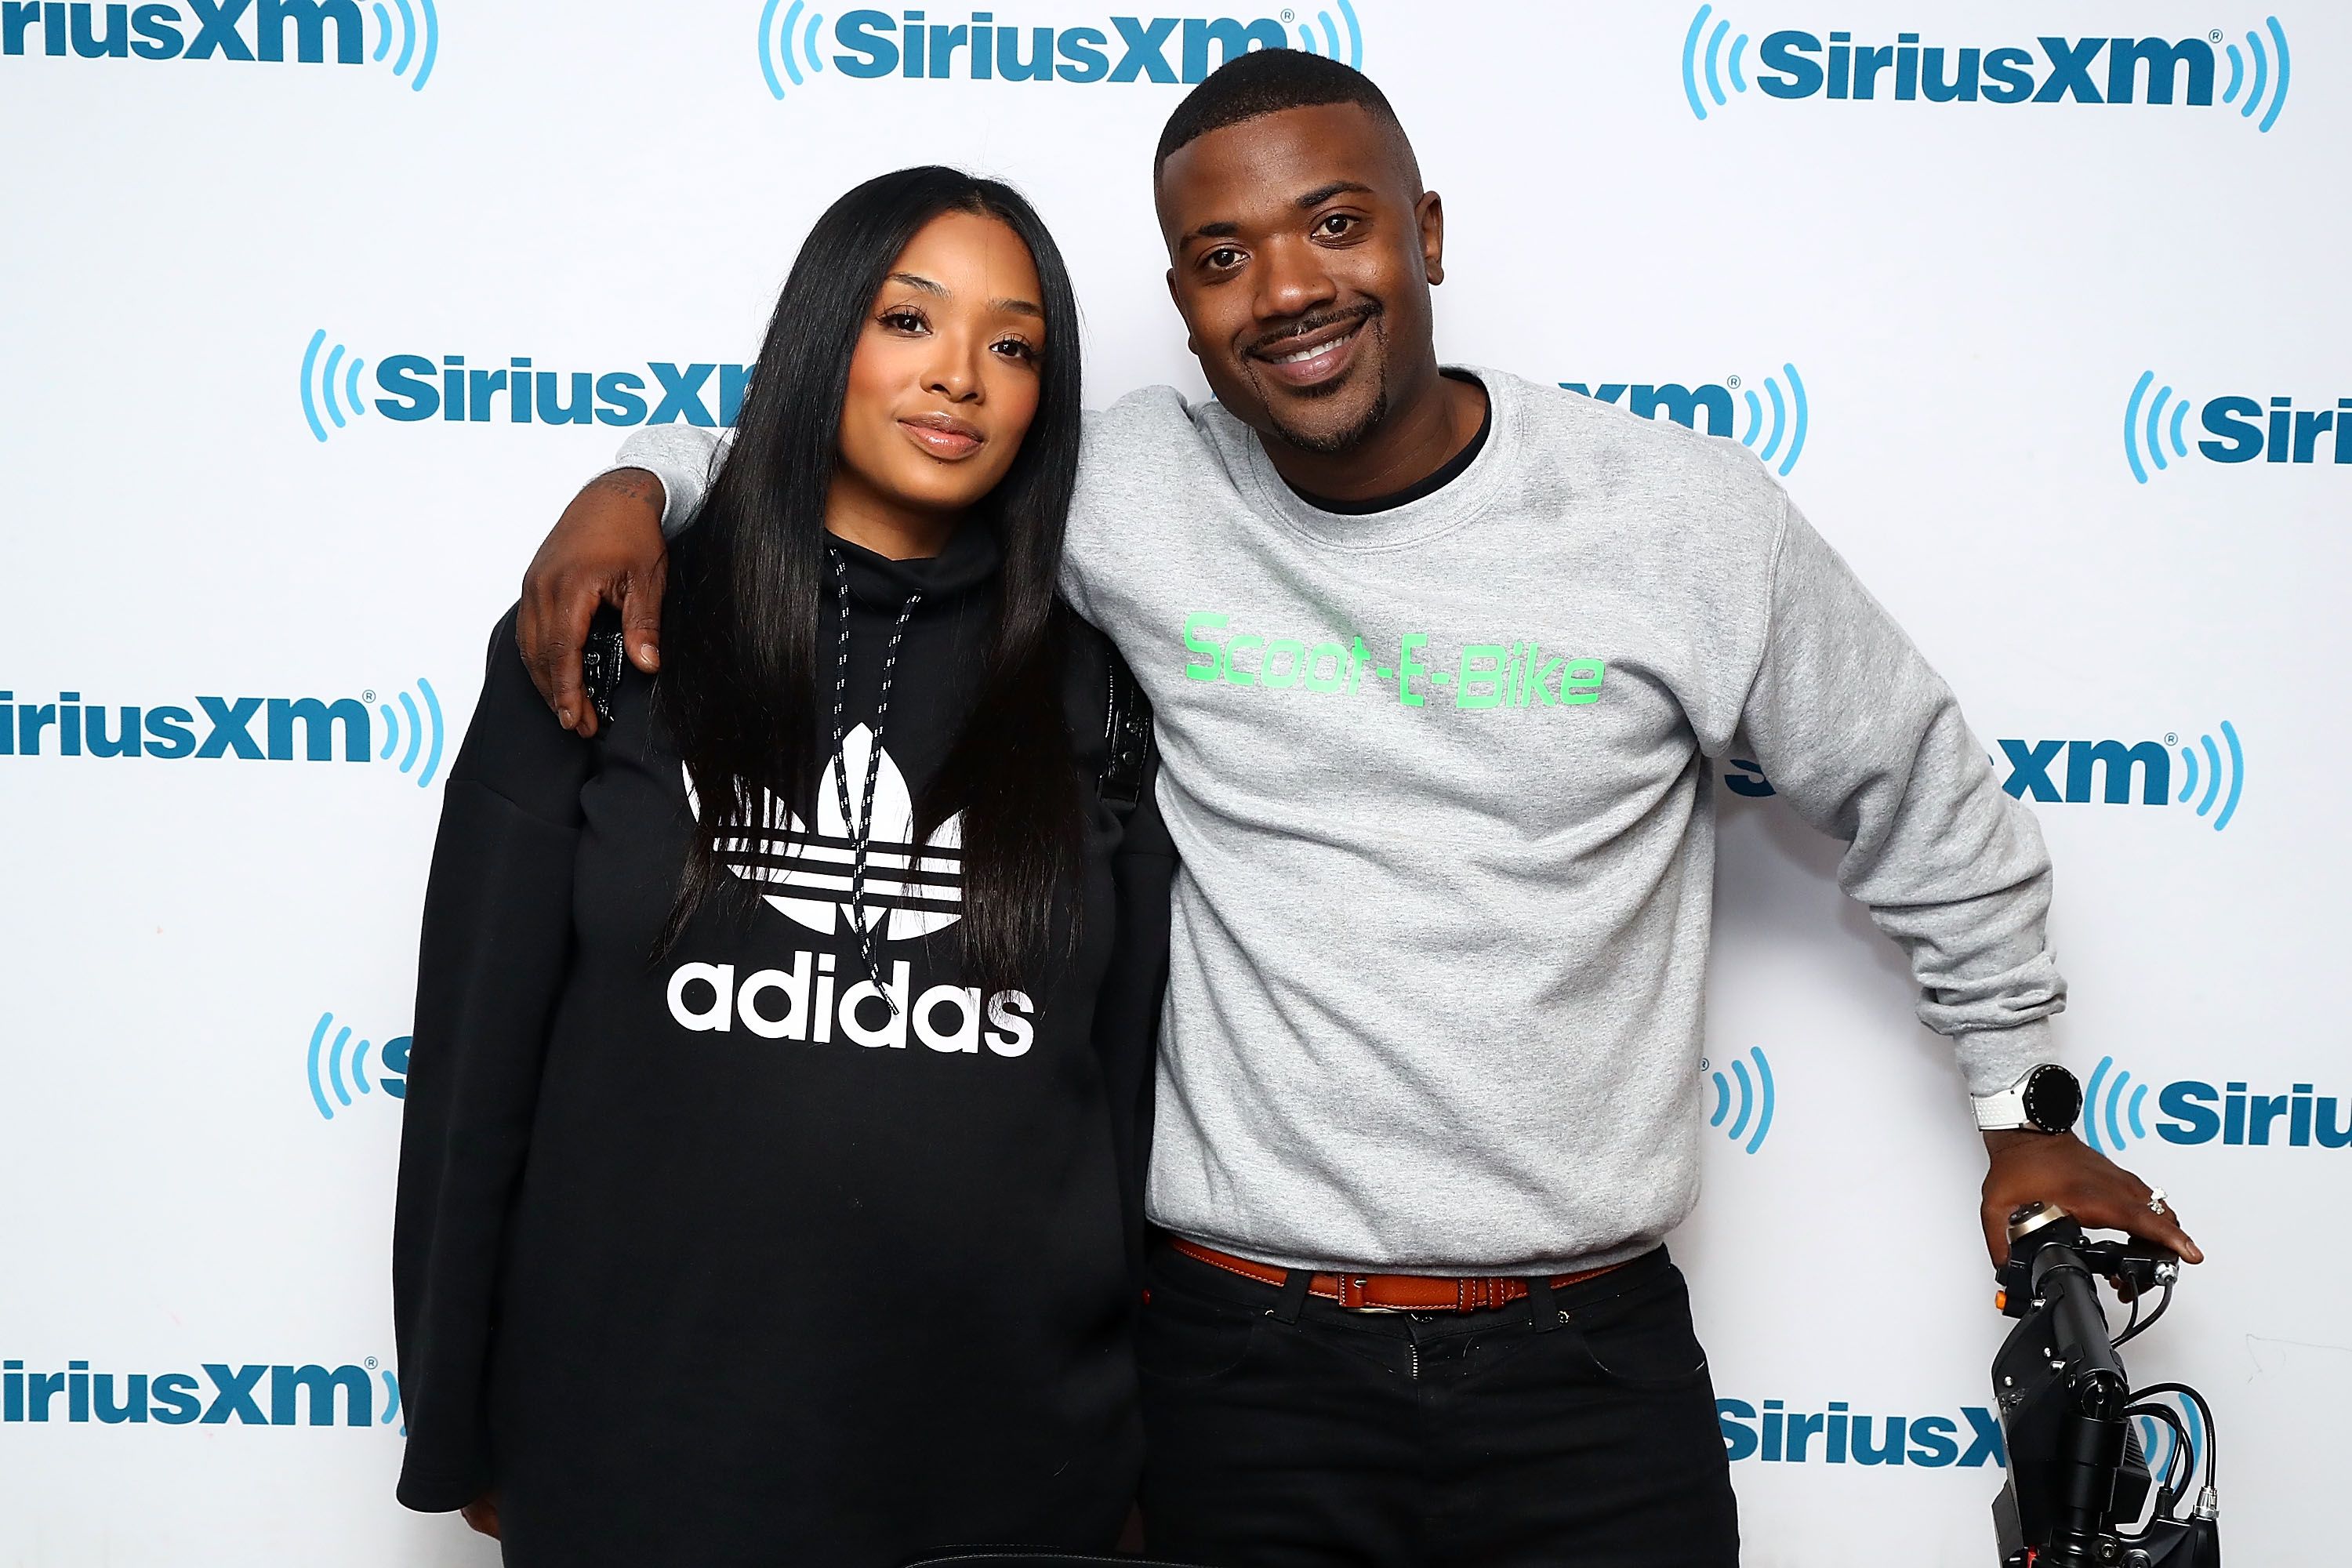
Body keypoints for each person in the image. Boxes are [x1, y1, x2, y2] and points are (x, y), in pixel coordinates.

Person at [510, 54, 2201, 1568]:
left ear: (1429, 233)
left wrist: (2025, 1109)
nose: (1288, 290)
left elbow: (1923, 788)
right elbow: (870, 446)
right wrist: (643, 482)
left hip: (1587, 1366)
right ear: (1179, 304)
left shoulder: (1678, 519)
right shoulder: (1126, 487)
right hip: (1239, 1365)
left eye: (1335, 226)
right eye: (1223, 258)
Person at [391, 166, 1175, 1568]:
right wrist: (457, 1417)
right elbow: (472, 1068)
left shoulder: (1103, 688)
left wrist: (1140, 1454)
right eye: (908, 321)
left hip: (1009, 1469)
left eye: (1013, 346)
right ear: (825, 336)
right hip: (637, 1443)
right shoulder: (612, 631)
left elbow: (1120, 1108)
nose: (959, 380)